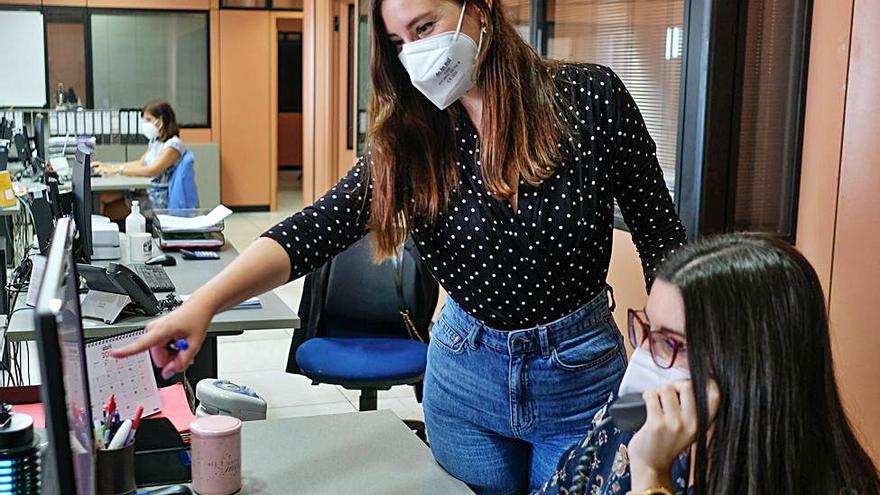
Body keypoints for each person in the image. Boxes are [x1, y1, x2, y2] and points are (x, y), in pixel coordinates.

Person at [113, 1, 686, 492]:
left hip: (579, 378)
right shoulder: (412, 140)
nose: (414, 53)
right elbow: (311, 231)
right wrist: (203, 303)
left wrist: (679, 349)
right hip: (465, 376)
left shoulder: (590, 99)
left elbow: (663, 237)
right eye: (398, 40)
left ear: (480, 10)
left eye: (426, 27)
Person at [534, 234, 880, 495]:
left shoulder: (833, 486)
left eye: (673, 343)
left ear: (751, 363)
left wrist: (651, 474)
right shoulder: (639, 420)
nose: (645, 357)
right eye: (648, 330)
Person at [92, 100, 187, 217]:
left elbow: (151, 170)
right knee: (100, 197)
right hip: (143, 192)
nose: (145, 124)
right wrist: (109, 167)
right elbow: (141, 163)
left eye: (148, 119)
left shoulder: (174, 145)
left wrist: (119, 170)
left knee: (103, 211)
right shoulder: (156, 142)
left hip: (156, 199)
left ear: (161, 120)